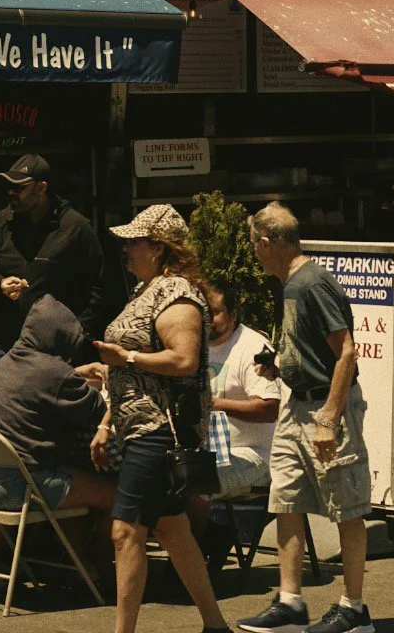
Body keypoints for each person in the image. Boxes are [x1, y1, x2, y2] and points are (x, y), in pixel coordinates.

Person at [90, 204, 229, 633]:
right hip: (140, 427)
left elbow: (184, 360)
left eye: (134, 242)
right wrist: (108, 421)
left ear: (159, 246)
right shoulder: (145, 291)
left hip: (159, 430)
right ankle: (215, 625)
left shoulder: (178, 294)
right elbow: (130, 371)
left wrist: (126, 357)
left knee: (125, 532)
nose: (126, 249)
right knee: (172, 529)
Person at [240, 203, 371, 633]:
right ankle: (291, 600)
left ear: (265, 243)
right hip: (296, 404)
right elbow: (315, 349)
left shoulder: (312, 283)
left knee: (345, 507)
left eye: (254, 247)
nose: (254, 255)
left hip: (323, 408)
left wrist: (330, 418)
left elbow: (346, 351)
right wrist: (281, 365)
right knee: (286, 499)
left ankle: (354, 609)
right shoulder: (292, 285)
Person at [0, 295, 116, 569]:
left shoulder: (6, 361)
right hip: (21, 488)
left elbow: (47, 382)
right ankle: (103, 567)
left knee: (72, 474)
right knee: (116, 495)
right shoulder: (54, 373)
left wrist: (75, 373)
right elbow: (96, 408)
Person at [0, 154, 105, 364]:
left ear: (41, 188)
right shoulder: (1, 222)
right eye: (9, 186)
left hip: (57, 348)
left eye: (19, 188)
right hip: (7, 345)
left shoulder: (75, 227)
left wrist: (80, 332)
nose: (11, 193)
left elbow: (98, 285)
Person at [203, 280, 280, 499]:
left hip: (255, 455)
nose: (207, 318)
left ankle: (193, 534)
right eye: (203, 311)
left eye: (215, 312)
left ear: (233, 314)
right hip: (207, 453)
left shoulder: (253, 347)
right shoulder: (194, 343)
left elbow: (269, 409)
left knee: (197, 482)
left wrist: (215, 404)